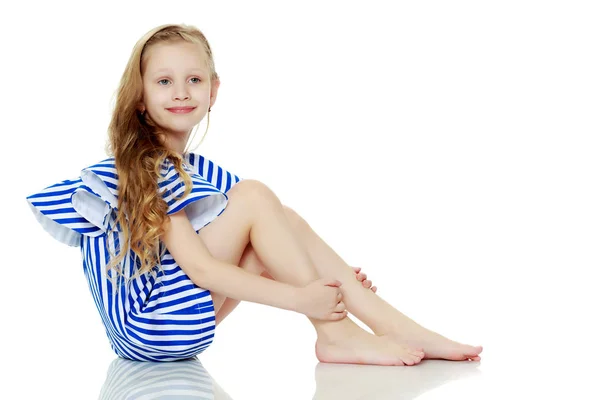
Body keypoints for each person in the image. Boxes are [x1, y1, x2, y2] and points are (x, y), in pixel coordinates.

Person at [25, 23, 482, 365]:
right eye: (164, 81)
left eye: (194, 80)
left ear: (214, 90)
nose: (181, 92)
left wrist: (333, 278)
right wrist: (305, 297)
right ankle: (336, 333)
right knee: (258, 198)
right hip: (152, 326)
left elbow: (268, 237)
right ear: (140, 96)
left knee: (282, 218)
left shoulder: (196, 171)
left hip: (165, 333)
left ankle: (396, 326)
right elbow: (202, 270)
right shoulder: (146, 164)